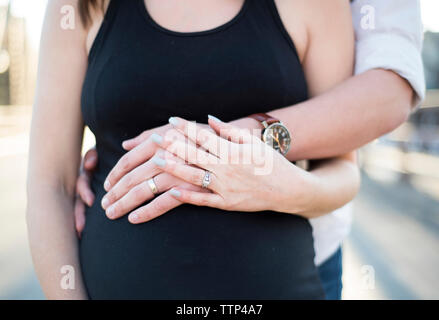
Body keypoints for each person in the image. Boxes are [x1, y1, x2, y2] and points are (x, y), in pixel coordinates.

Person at [75, 0, 425, 299]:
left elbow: (388, 93)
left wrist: (222, 149)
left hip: (294, 270)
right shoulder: (84, 9)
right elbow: (49, 181)